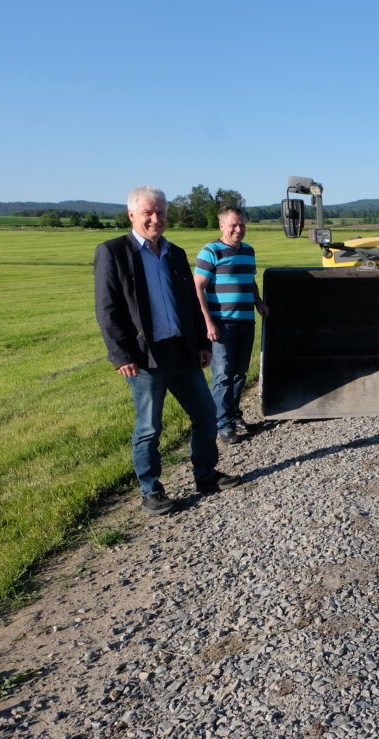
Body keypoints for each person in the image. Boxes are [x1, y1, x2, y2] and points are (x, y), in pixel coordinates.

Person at [94, 186, 240, 515]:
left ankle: (205, 475)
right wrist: (121, 355)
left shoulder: (174, 253)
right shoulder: (113, 252)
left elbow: (188, 303)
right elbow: (108, 311)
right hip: (146, 358)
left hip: (183, 352)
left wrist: (202, 344)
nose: (156, 218)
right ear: (132, 215)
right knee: (149, 427)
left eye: (160, 212)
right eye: (148, 212)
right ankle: (151, 490)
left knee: (205, 415)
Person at [194, 206, 269, 444]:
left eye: (242, 225)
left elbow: (250, 280)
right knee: (223, 375)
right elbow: (198, 288)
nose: (239, 229)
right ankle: (223, 424)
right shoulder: (210, 251)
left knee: (239, 373)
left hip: (245, 320)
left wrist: (258, 302)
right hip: (221, 323)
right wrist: (207, 322)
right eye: (234, 225)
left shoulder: (248, 251)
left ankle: (235, 416)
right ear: (222, 226)